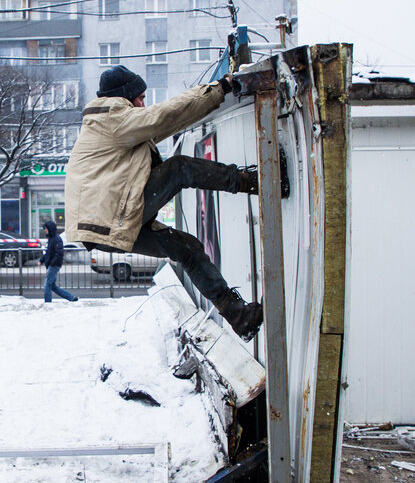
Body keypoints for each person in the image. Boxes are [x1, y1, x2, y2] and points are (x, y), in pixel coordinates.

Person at [65, 65, 288, 341]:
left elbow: (172, 122)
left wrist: (204, 104)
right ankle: (253, 181)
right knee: (179, 168)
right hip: (110, 218)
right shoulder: (113, 117)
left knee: (187, 249)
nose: (144, 104)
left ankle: (239, 316)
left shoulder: (112, 125)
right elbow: (165, 115)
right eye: (141, 98)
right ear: (125, 96)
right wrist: (222, 88)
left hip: (104, 226)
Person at [38, 220, 78, 303]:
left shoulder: (56, 239)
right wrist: (42, 260)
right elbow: (49, 252)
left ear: (50, 229)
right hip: (52, 264)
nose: (45, 230)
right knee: (52, 286)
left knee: (47, 285)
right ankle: (71, 298)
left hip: (54, 265)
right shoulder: (52, 239)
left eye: (45, 228)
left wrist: (52, 263)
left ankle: (47, 303)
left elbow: (58, 254)